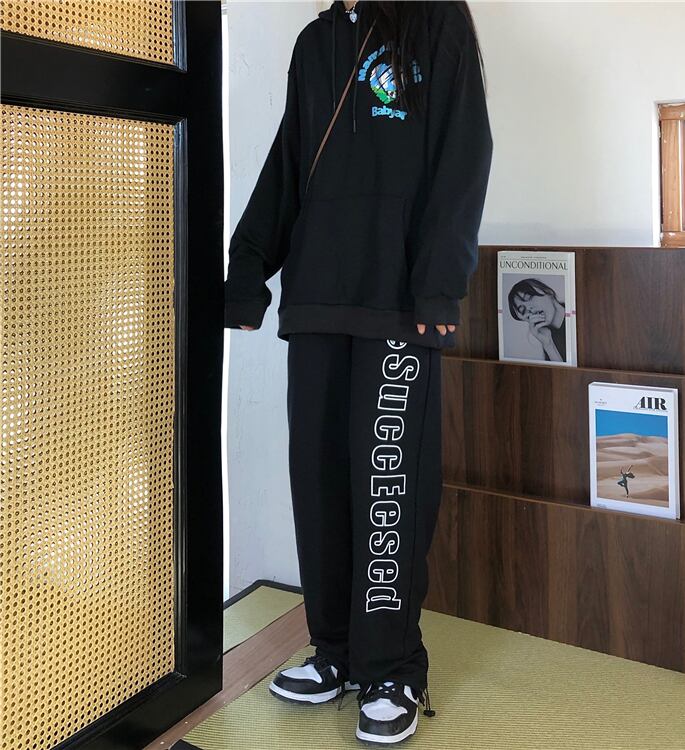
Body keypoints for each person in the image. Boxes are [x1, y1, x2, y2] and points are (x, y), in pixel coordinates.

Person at [224, 0, 492, 744]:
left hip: (398, 305)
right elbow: (288, 164)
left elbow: (464, 150)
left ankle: (392, 668)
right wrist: (247, 273)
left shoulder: (433, 21)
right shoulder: (314, 43)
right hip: (316, 301)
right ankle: (336, 652)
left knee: (388, 488)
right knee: (319, 484)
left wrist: (439, 285)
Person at [507, 278, 567, 362]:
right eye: (523, 310)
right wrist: (549, 345)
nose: (529, 309)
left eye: (530, 297)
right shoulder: (549, 341)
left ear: (548, 291)